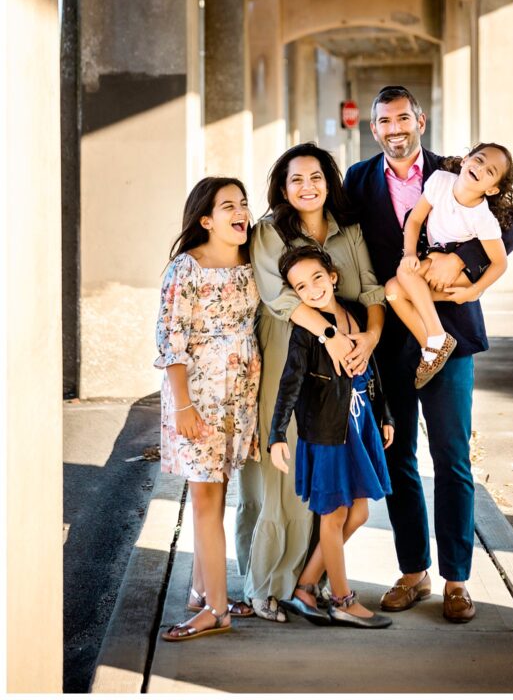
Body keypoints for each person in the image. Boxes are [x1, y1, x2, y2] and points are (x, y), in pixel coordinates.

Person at [343, 86, 513, 624]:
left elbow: (511, 224)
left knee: (451, 457)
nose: (394, 128)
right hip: (390, 338)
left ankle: (457, 580)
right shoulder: (357, 180)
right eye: (384, 121)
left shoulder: (458, 169)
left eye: (403, 117)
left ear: (420, 120)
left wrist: (460, 259)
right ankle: (413, 571)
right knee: (398, 456)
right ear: (373, 129)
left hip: (450, 331)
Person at [239, 143, 386, 621]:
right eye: (296, 179)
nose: (307, 186)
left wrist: (369, 337)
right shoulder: (268, 231)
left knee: (328, 482)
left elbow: (369, 290)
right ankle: (266, 584)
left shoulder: (350, 231)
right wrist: (329, 334)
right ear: (282, 188)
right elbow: (276, 295)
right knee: (283, 477)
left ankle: (311, 582)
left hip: (344, 363)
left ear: (329, 181)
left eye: (316, 176)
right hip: (290, 355)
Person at [155, 177, 261, 641]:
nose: (240, 212)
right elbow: (170, 339)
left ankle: (204, 591)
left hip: (238, 397)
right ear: (206, 219)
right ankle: (217, 609)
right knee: (205, 500)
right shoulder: (186, 268)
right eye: (228, 206)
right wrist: (182, 405)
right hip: (197, 397)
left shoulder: (251, 261)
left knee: (218, 496)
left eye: (243, 203)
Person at [268, 245, 394, 629]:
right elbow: (289, 383)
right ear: (297, 294)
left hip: (358, 426)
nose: (313, 289)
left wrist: (385, 415)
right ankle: (342, 599)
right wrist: (277, 434)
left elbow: (371, 371)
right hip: (325, 432)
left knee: (358, 512)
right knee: (335, 513)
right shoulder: (307, 332)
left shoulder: (354, 316)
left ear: (333, 277)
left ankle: (306, 586)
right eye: (301, 286)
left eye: (317, 278)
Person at [387, 142, 513, 388]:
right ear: (465, 159)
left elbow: (499, 263)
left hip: (462, 274)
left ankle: (436, 336)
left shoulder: (483, 219)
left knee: (403, 275)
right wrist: (410, 253)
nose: (481, 168)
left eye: (491, 171)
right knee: (393, 290)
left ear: (493, 189)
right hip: (433, 255)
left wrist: (475, 291)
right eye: (480, 160)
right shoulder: (440, 180)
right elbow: (416, 220)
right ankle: (432, 345)